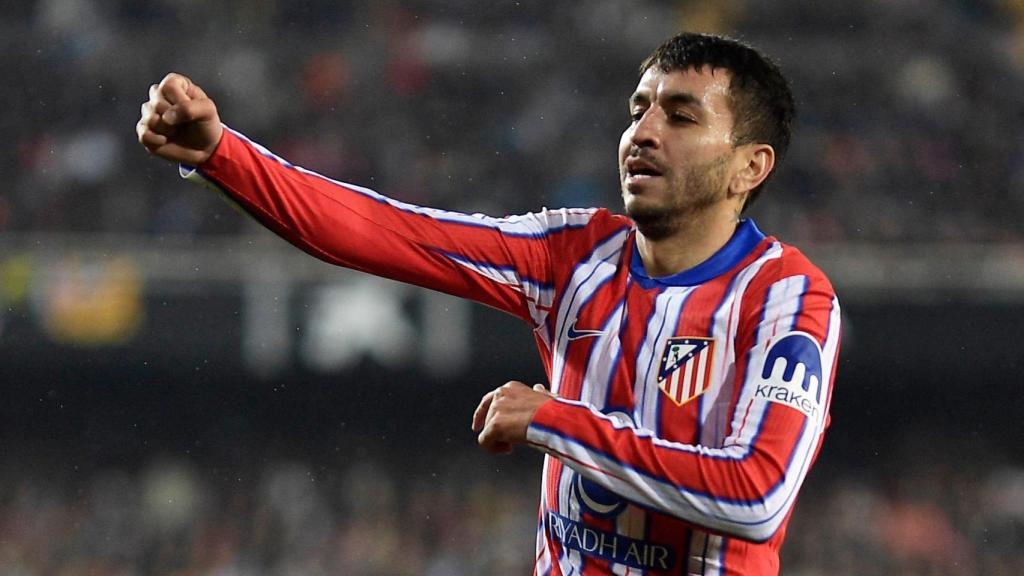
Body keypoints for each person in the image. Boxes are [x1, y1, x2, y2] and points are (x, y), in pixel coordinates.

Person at [137, 32, 841, 576]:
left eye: (680, 116)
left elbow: (754, 499)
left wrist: (556, 421)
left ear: (751, 166)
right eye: (639, 110)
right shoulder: (575, 256)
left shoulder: (787, 300)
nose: (643, 132)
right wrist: (221, 155)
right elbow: (383, 232)